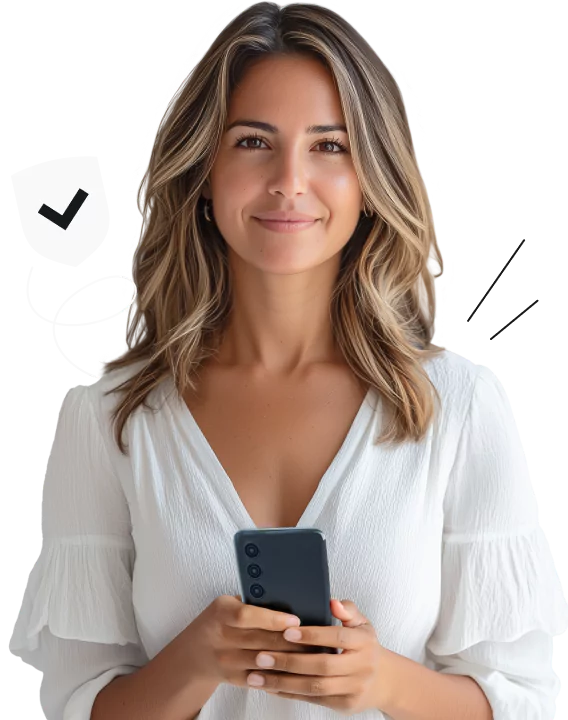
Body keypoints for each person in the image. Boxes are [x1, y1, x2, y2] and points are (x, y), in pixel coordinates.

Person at [10, 2, 566, 718]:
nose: (288, 181)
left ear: (371, 178)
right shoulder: (109, 415)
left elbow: (525, 701)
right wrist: (193, 660)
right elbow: (70, 706)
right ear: (203, 169)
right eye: (252, 142)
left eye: (330, 146)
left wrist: (384, 681)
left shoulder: (456, 402)